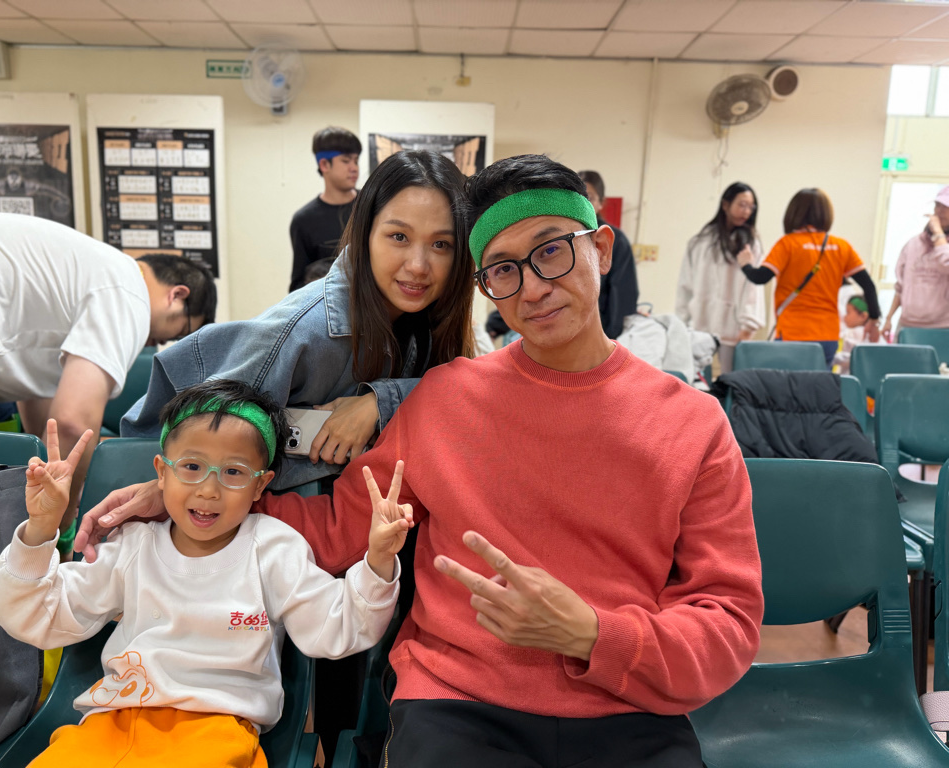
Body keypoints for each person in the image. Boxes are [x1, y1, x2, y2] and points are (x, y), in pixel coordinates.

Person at [80, 155, 763, 768]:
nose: (532, 288)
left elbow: (728, 623)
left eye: (552, 251)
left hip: (628, 710)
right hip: (458, 705)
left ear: (601, 249)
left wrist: (594, 635)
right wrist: (195, 494)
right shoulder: (442, 397)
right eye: (504, 269)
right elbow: (341, 528)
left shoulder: (693, 424)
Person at [0, 379, 408, 768]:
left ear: (260, 486)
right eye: (191, 466)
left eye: (233, 472)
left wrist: (378, 561)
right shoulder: (133, 546)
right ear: (161, 472)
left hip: (218, 728)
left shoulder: (274, 548)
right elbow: (39, 615)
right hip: (111, 721)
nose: (209, 490)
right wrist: (40, 529)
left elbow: (338, 627)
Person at [120, 150, 476, 492]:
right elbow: (196, 448)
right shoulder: (302, 331)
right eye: (398, 237)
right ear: (365, 234)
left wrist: (380, 402)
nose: (418, 265)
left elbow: (465, 397)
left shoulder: (425, 321)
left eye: (441, 244)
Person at [0, 212, 216, 531]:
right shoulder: (129, 293)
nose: (163, 342)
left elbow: (42, 406)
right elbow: (73, 424)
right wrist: (57, 526)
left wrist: (47, 482)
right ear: (177, 295)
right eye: (180, 332)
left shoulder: (88, 274)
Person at [739, 188, 881, 366]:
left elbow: (760, 277)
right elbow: (868, 285)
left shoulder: (787, 244)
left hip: (792, 333)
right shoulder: (841, 247)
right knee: (819, 382)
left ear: (794, 212)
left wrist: (746, 264)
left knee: (789, 381)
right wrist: (874, 320)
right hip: (827, 335)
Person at [675, 182, 766, 374]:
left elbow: (753, 289)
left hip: (734, 329)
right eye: (742, 205)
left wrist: (749, 325)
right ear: (725, 204)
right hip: (700, 325)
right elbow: (685, 285)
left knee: (731, 380)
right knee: (698, 382)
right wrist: (681, 323)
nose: (746, 211)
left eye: (751, 207)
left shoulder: (751, 245)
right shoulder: (700, 242)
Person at [288, 126, 361, 292]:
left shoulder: (373, 205)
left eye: (356, 161)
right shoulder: (304, 220)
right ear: (324, 164)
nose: (354, 168)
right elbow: (298, 286)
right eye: (346, 161)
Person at [881, 185, 949, 340]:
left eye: (946, 207)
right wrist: (889, 318)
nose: (940, 211)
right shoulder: (914, 244)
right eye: (938, 205)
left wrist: (939, 236)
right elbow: (901, 286)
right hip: (908, 324)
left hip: (943, 327)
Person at [580, 169, 640, 339]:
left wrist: (610, 340)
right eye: (576, 197)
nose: (582, 203)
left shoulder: (616, 241)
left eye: (589, 198)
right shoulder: (560, 236)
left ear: (601, 203)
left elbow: (623, 295)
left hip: (600, 334)